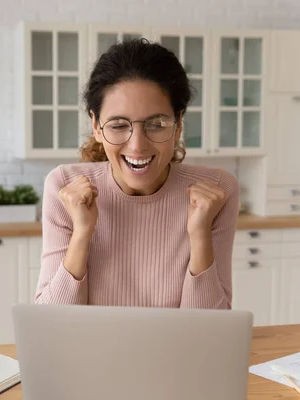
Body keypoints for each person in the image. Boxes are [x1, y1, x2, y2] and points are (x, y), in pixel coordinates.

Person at [34, 38, 239, 309]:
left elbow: (212, 330)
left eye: (156, 124)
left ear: (178, 125)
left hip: (174, 352)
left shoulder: (217, 191)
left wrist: (199, 234)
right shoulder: (63, 186)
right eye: (119, 125)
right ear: (96, 125)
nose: (137, 145)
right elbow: (50, 324)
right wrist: (82, 233)